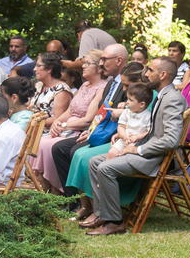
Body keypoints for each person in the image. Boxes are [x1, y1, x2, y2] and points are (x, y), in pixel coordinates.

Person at [82, 58, 185, 236]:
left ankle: (115, 222)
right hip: (147, 149)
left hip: (158, 158)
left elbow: (170, 140)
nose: (145, 74)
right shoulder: (163, 95)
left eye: (150, 70)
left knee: (105, 167)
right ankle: (102, 215)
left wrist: (137, 149)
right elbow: (154, 130)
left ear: (162, 75)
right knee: (93, 162)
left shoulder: (172, 99)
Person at [61, 62, 145, 222]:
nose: (124, 89)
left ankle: (98, 210)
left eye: (127, 85)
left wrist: (124, 111)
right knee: (78, 153)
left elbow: (143, 121)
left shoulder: (146, 96)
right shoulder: (132, 95)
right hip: (120, 136)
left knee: (87, 159)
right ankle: (86, 206)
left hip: (131, 142)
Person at [29, 50, 108, 192]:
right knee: (41, 142)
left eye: (87, 63)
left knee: (48, 146)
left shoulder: (102, 88)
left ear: (99, 67)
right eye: (83, 63)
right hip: (67, 127)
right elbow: (70, 111)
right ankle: (45, 190)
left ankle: (59, 190)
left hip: (79, 130)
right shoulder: (84, 86)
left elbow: (88, 120)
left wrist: (63, 126)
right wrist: (56, 122)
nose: (82, 66)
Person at [30, 52, 72, 124]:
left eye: (38, 66)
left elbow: (58, 118)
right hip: (32, 129)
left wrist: (33, 122)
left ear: (49, 69)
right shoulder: (38, 86)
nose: (34, 69)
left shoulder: (61, 90)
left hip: (49, 133)